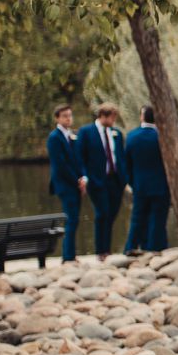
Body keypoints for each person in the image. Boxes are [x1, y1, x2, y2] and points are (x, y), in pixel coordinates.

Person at [75, 102, 127, 256]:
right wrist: (84, 176)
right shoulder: (86, 132)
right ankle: (101, 251)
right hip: (97, 180)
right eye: (112, 117)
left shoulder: (116, 133)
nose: (114, 121)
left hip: (115, 180)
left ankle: (107, 249)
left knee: (112, 214)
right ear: (103, 116)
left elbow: (121, 156)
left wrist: (125, 178)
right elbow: (80, 157)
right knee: (102, 213)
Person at [123, 106, 171, 254]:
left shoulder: (132, 136)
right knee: (158, 218)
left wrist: (132, 182)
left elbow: (127, 163)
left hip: (140, 185)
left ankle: (131, 247)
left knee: (137, 217)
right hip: (161, 185)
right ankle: (155, 248)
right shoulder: (163, 136)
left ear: (142, 117)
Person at [45, 103, 85, 262]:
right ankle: (68, 256)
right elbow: (60, 164)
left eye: (70, 115)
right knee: (71, 219)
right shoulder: (54, 137)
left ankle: (71, 255)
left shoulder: (72, 135)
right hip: (65, 185)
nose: (68, 118)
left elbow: (78, 159)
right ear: (57, 118)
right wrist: (76, 180)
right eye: (65, 116)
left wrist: (83, 177)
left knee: (75, 218)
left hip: (76, 183)